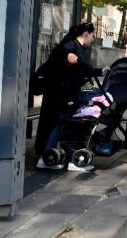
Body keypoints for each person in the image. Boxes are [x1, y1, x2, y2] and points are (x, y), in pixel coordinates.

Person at [35, 23, 104, 171]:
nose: (93, 39)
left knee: (61, 124)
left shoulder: (77, 47)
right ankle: (50, 157)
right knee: (60, 124)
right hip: (60, 94)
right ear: (86, 34)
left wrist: (99, 71)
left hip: (64, 93)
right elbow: (60, 58)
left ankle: (51, 156)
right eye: (93, 35)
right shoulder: (69, 46)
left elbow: (83, 68)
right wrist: (67, 57)